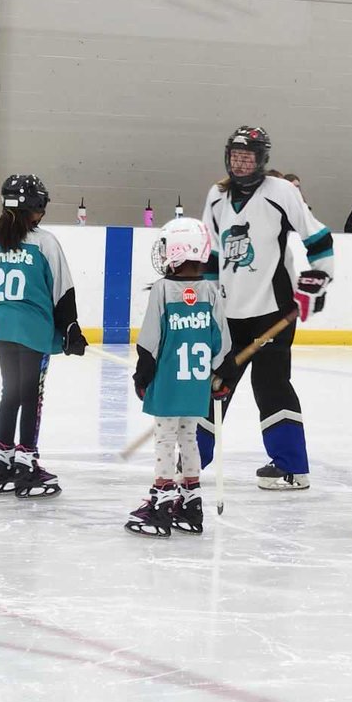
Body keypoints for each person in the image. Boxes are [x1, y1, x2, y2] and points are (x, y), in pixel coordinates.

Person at [199, 125, 334, 491]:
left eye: (249, 156)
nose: (240, 163)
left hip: (273, 312)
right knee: (213, 383)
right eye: (236, 156)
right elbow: (210, 252)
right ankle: (193, 459)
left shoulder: (281, 192)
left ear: (262, 160)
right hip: (228, 312)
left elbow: (317, 236)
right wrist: (207, 298)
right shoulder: (216, 195)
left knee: (271, 384)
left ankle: (292, 468)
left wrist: (318, 277)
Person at [0, 173, 87, 498]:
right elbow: (62, 291)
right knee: (31, 398)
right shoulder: (45, 242)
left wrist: (2, 316)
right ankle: (26, 464)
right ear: (37, 206)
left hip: (2, 329)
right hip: (34, 333)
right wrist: (71, 329)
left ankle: (2, 465)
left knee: (10, 393)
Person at [125, 217, 235, 537]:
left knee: (164, 440)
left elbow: (150, 341)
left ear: (177, 250)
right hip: (196, 386)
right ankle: (190, 504)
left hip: (169, 385)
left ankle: (160, 504)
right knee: (188, 439)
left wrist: (142, 377)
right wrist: (219, 376)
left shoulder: (162, 290)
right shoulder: (211, 291)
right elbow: (223, 344)